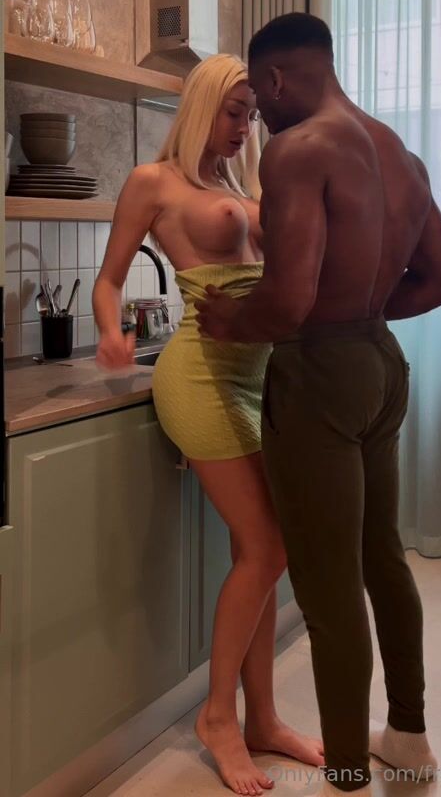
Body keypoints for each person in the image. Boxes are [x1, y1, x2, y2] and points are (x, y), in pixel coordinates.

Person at [197, 14, 441, 794]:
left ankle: (346, 771)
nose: (258, 122)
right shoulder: (401, 155)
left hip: (318, 376)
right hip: (382, 363)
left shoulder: (299, 149)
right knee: (382, 557)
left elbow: (287, 301)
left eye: (258, 100)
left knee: (327, 586)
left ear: (276, 80)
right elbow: (440, 282)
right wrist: (361, 313)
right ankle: (406, 737)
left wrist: (228, 321)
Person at [93, 53, 325, 797]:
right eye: (233, 111)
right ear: (199, 105)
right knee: (268, 548)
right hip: (199, 377)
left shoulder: (240, 187)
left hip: (257, 380)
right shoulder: (153, 183)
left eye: (251, 114)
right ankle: (219, 717)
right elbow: (109, 279)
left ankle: (264, 719)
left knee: (258, 556)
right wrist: (112, 335)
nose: (244, 126)